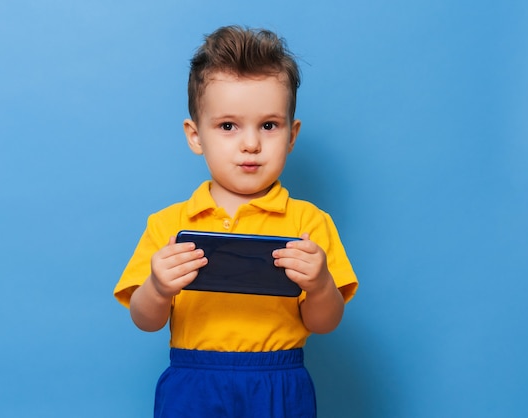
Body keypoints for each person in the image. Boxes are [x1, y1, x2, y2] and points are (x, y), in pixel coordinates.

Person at [114, 25, 358, 418]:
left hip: (279, 380)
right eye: (228, 126)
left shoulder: (309, 221)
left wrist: (320, 285)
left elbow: (325, 322)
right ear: (195, 136)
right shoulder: (169, 224)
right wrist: (158, 287)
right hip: (194, 381)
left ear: (292, 135)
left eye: (269, 125)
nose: (251, 144)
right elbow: (145, 320)